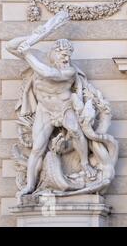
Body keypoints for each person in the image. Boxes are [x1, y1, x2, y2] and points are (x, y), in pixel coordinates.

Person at [6, 27, 97, 197]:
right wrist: (35, 36)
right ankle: (30, 186)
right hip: (44, 110)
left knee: (77, 132)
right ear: (54, 53)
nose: (66, 58)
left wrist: (27, 54)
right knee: (37, 148)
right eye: (63, 54)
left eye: (68, 55)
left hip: (63, 106)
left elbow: (49, 74)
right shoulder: (39, 57)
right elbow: (10, 46)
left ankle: (84, 163)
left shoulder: (68, 70)